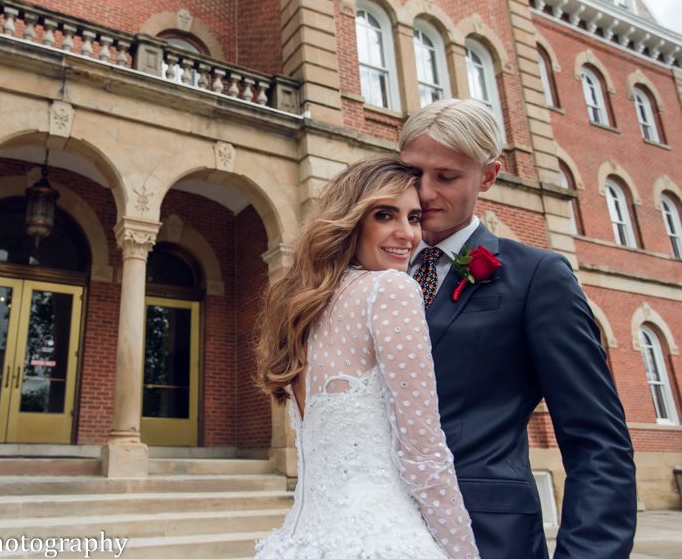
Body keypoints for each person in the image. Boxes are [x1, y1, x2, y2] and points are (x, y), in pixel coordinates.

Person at [399, 98, 637, 559]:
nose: (424, 193)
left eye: (446, 177)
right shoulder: (368, 271)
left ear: (488, 176)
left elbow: (598, 444)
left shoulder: (537, 277)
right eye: (412, 173)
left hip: (487, 537)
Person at [254, 157, 480, 559]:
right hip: (380, 540)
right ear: (352, 221)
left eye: (414, 218)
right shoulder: (391, 290)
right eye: (384, 215)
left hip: (300, 543)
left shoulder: (305, 309)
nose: (407, 234)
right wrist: (463, 552)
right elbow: (423, 453)